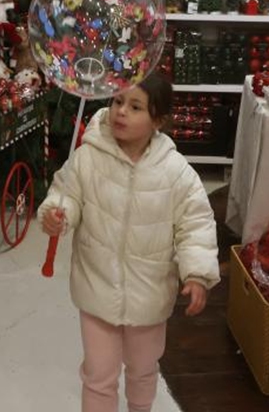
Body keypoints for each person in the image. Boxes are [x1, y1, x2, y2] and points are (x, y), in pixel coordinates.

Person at [38, 75, 220, 412]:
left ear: (158, 120)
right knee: (98, 375)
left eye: (135, 107)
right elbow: (67, 194)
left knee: (142, 370)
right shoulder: (88, 157)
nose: (121, 112)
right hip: (97, 286)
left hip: (149, 293)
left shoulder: (176, 172)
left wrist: (196, 273)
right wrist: (56, 213)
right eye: (117, 101)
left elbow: (195, 224)